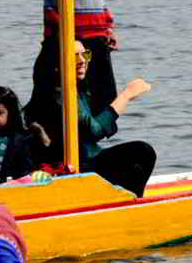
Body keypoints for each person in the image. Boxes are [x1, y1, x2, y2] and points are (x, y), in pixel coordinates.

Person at [26, 40, 155, 196]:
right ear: (57, 64)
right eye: (73, 57)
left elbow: (104, 104)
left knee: (140, 157)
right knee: (143, 152)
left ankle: (126, 200)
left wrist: (104, 51)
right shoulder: (58, 95)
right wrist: (126, 95)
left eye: (85, 55)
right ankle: (128, 204)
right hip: (72, 166)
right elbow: (95, 131)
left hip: (88, 158)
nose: (82, 61)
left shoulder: (76, 88)